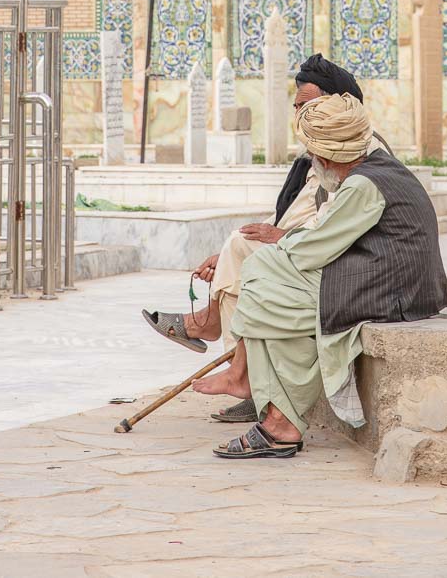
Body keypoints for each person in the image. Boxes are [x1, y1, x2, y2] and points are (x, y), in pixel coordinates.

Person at [195, 93, 447, 459]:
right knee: (262, 278)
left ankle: (274, 415)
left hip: (394, 291)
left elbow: (314, 248)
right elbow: (320, 241)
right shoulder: (377, 168)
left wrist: (279, 249)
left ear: (326, 159)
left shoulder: (362, 185)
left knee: (266, 286)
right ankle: (267, 405)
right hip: (386, 277)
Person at [142, 54, 390, 424]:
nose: (299, 115)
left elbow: (330, 226)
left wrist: (274, 240)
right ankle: (241, 367)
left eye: (308, 106)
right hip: (315, 249)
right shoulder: (317, 151)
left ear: (337, 105)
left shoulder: (352, 150)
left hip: (347, 268)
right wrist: (247, 247)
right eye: (297, 107)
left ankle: (226, 351)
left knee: (248, 257)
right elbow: (292, 216)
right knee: (240, 249)